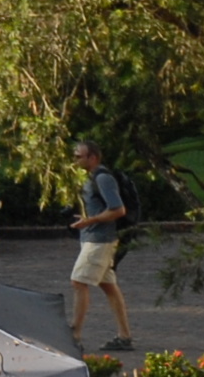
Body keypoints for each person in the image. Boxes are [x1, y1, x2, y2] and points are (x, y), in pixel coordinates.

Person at [67, 140, 136, 352]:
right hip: (95, 238)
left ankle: (74, 335)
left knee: (78, 282)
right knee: (109, 287)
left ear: (93, 157)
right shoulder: (90, 178)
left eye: (80, 156)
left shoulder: (103, 178)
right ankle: (124, 337)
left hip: (99, 241)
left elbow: (118, 210)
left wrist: (89, 221)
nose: (75, 160)